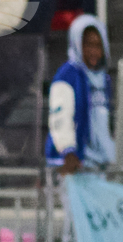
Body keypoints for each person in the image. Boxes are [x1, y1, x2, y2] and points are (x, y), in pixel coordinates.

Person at [46, 15, 115, 173]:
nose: (94, 51)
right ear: (77, 43)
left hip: (99, 163)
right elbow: (60, 116)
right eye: (88, 45)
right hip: (73, 164)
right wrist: (68, 151)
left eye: (98, 46)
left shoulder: (104, 79)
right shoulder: (68, 75)